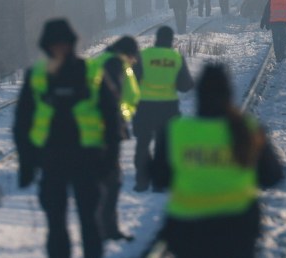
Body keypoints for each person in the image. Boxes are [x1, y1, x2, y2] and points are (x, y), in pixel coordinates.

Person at [13, 18, 127, 258]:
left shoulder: (92, 71)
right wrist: (26, 163)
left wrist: (111, 159)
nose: (60, 48)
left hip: (88, 159)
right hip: (51, 160)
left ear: (72, 43)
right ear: (46, 46)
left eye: (63, 43)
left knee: (90, 223)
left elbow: (111, 116)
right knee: (56, 226)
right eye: (55, 44)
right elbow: (22, 122)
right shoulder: (37, 75)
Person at [150, 64, 284, 258]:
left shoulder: (175, 131)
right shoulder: (248, 128)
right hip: (238, 229)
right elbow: (272, 176)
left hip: (188, 230)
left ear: (199, 95)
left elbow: (160, 179)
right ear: (229, 93)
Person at [132, 25, 194, 192]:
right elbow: (184, 86)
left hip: (145, 106)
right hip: (168, 108)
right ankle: (160, 183)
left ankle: (142, 181)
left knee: (143, 143)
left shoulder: (143, 56)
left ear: (156, 39)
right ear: (171, 40)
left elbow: (132, 81)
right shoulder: (176, 58)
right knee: (163, 146)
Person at [91, 36, 141, 242]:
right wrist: (122, 117)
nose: (134, 61)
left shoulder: (98, 61)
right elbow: (120, 97)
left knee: (99, 179)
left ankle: (101, 226)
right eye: (133, 57)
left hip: (90, 129)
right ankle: (107, 228)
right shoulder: (117, 65)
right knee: (112, 180)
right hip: (109, 129)